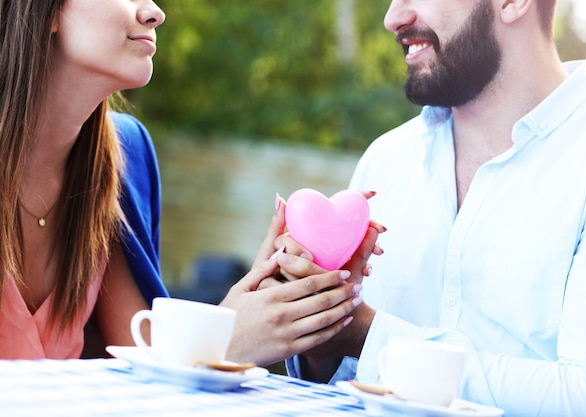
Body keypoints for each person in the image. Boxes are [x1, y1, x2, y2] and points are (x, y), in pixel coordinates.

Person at [273, 0, 586, 415]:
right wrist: (318, 321)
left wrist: (366, 334)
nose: (393, 18)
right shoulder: (385, 160)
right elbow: (339, 383)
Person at [0, 0, 369, 366]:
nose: (154, 12)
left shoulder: (124, 158)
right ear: (43, 11)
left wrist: (263, 294)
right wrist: (222, 341)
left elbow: (146, 364)